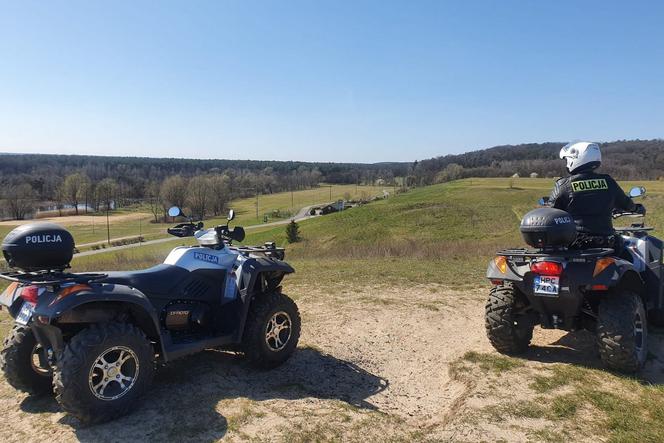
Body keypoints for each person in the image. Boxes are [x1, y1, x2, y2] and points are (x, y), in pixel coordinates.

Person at [549, 141, 645, 249]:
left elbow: (550, 213)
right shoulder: (608, 182)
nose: (567, 163)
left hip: (574, 246)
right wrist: (637, 208)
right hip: (606, 243)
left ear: (574, 159)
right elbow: (626, 204)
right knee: (634, 259)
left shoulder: (564, 185)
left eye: (567, 160)